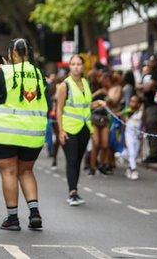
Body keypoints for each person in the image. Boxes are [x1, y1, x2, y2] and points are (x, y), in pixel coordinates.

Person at [0, 38, 47, 231]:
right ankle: (35, 214)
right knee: (26, 171)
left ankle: (13, 219)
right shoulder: (39, 73)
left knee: (9, 172)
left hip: (5, 134)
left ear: (11, 53)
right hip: (32, 135)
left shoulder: (5, 72)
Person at [56, 55, 102, 205]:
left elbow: (85, 106)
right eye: (73, 64)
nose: (76, 67)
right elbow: (59, 109)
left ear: (83, 67)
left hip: (84, 128)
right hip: (69, 128)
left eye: (79, 64)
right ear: (69, 67)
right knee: (72, 160)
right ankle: (72, 192)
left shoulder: (85, 83)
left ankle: (74, 190)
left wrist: (97, 103)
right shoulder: (64, 85)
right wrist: (61, 130)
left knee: (78, 160)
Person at [139, 60, 157, 163]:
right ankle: (151, 153)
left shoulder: (156, 74)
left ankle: (154, 155)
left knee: (152, 128)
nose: (149, 62)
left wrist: (142, 87)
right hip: (147, 105)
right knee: (148, 129)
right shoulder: (149, 75)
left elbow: (147, 88)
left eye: (151, 61)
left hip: (153, 106)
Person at [123, 95, 144, 180]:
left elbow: (143, 123)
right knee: (131, 152)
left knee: (134, 154)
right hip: (129, 135)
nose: (132, 103)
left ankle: (129, 168)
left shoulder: (141, 113)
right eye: (131, 101)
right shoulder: (127, 111)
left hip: (137, 136)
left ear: (139, 104)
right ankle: (133, 170)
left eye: (134, 101)